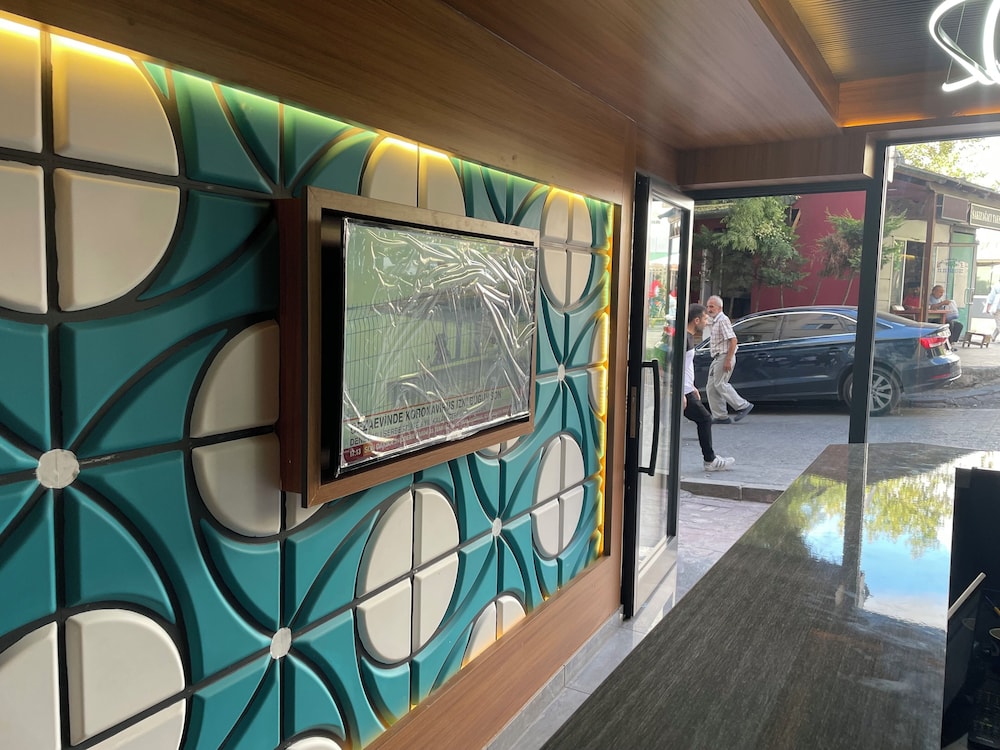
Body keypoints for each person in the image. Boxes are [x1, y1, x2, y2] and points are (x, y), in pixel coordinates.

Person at [683, 304, 735, 472]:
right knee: (705, 419)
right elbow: (671, 366)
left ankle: (710, 459)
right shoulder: (685, 338)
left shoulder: (688, 337)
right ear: (696, 320)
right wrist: (679, 391)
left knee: (703, 419)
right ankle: (710, 460)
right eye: (705, 319)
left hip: (687, 389)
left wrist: (692, 386)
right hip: (683, 391)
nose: (707, 322)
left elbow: (685, 366)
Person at [704, 295, 754, 424]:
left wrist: (728, 359)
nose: (709, 309)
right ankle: (720, 416)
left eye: (711, 306)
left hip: (724, 356)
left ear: (720, 308)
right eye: (708, 306)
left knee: (720, 384)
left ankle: (743, 405)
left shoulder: (722, 320)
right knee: (711, 387)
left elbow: (733, 340)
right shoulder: (714, 320)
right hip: (717, 357)